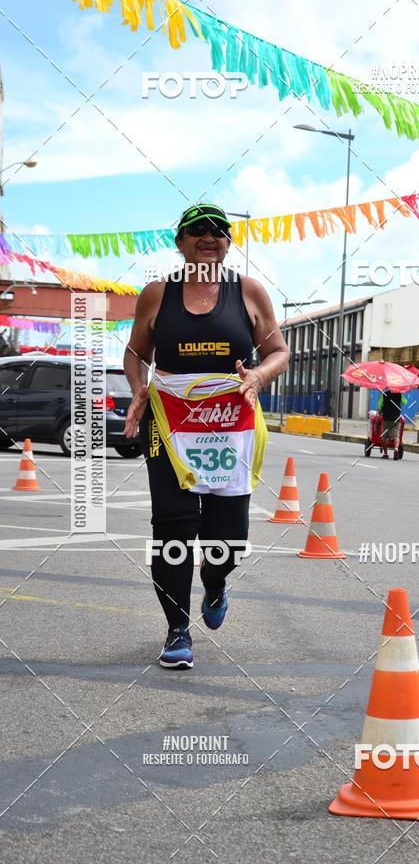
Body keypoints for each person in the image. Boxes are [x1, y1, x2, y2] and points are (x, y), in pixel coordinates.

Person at [123, 203, 289, 669]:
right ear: (180, 241)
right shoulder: (157, 294)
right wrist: (139, 389)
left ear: (228, 242)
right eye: (198, 231)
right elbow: (135, 353)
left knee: (229, 536)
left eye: (219, 230)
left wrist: (256, 378)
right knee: (173, 527)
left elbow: (279, 351)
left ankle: (215, 581)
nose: (209, 237)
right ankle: (177, 630)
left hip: (231, 425)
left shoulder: (249, 292)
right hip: (169, 424)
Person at [377, 386, 405, 460]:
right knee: (396, 436)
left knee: (384, 436)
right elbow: (405, 402)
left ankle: (385, 454)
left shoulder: (384, 394)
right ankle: (396, 449)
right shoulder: (399, 394)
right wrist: (401, 394)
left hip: (386, 418)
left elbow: (379, 406)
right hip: (396, 418)